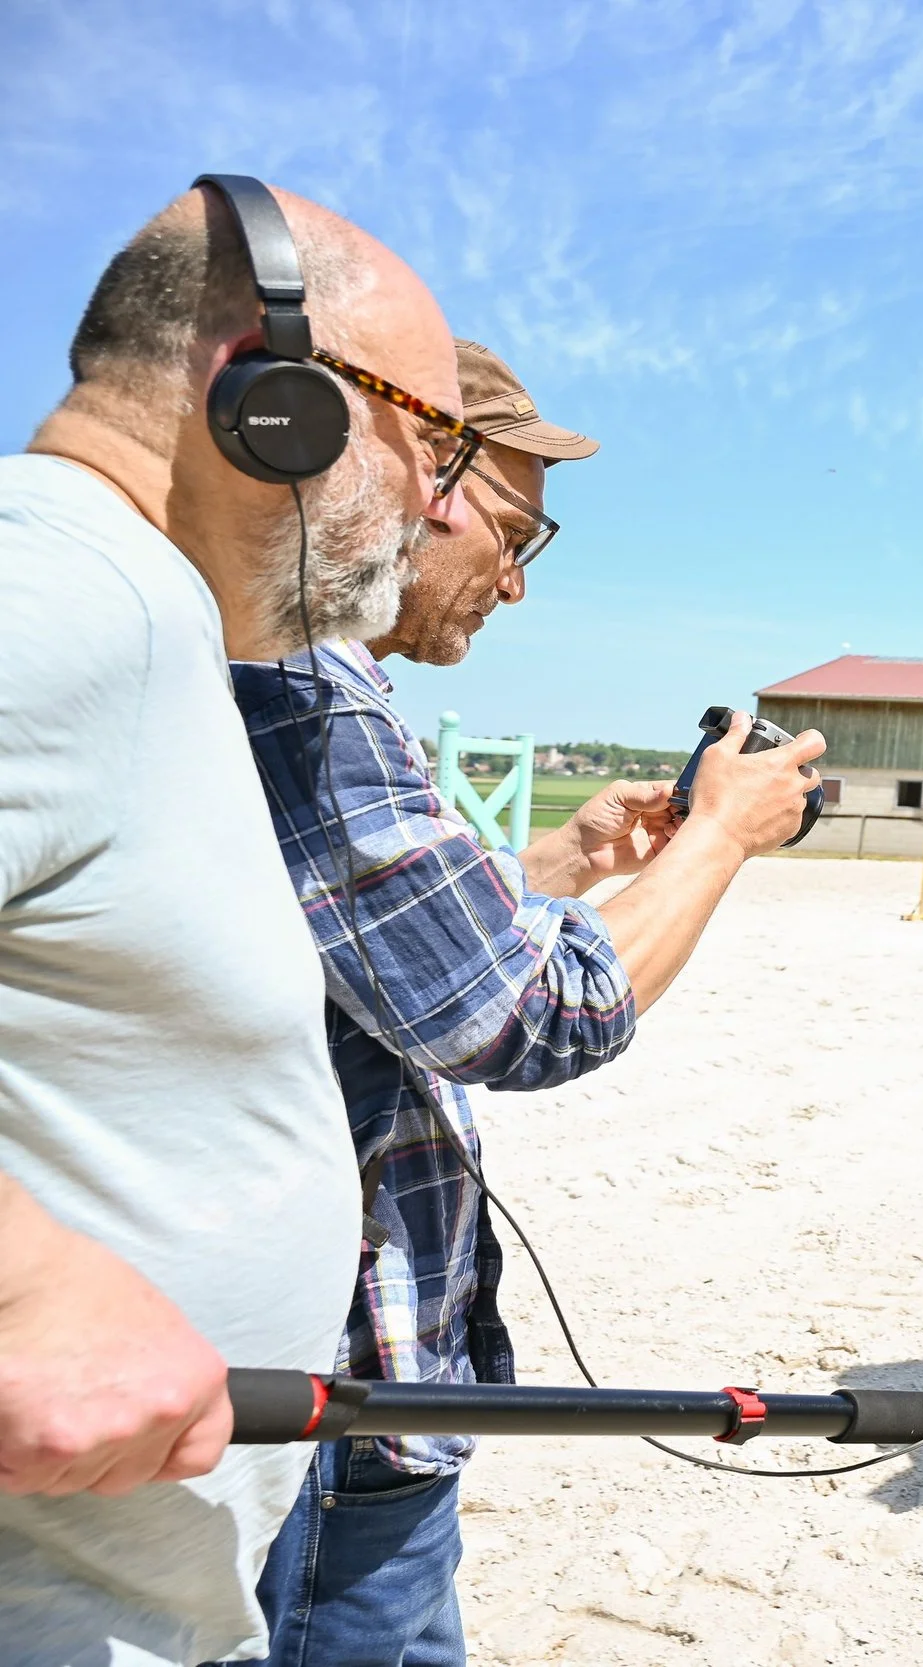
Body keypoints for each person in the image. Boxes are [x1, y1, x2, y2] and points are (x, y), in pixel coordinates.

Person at [225, 339, 824, 1666]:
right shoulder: (304, 693)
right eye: (514, 530)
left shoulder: (288, 678)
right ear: (409, 475)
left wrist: (556, 869)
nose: (512, 581)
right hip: (339, 1395)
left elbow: (356, 955)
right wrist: (720, 836)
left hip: (341, 1390)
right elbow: (525, 1016)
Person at [0, 179, 480, 1665]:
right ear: (270, 398)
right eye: (433, 441)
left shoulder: (150, 619)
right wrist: (23, 1278)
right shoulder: (69, 588)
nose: (444, 506)